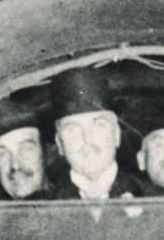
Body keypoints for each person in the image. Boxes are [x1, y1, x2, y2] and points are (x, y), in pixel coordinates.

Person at [48, 67, 152, 200]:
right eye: (73, 129)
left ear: (116, 134)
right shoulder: (39, 209)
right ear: (59, 143)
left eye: (99, 125)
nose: (87, 139)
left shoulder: (160, 200)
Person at [0, 96, 50, 201]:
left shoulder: (77, 203)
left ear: (45, 153)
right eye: (3, 155)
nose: (15, 165)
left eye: (26, 149)